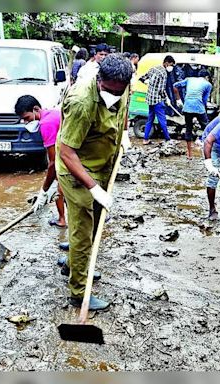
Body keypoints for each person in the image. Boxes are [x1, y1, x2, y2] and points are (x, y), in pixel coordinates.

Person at [56, 54, 132, 310]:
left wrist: (124, 134)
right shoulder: (82, 103)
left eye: (119, 92)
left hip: (102, 165)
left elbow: (123, 110)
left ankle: (73, 264)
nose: (114, 95)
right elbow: (66, 152)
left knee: (97, 223)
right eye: (109, 91)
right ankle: (78, 292)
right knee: (83, 233)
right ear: (99, 81)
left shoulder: (122, 85)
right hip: (76, 169)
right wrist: (93, 187)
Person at [14, 95, 66, 228]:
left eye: (27, 118)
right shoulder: (51, 113)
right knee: (60, 185)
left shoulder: (46, 124)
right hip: (69, 153)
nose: (26, 123)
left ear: (36, 109)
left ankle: (64, 220)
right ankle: (62, 219)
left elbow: (53, 163)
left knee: (63, 188)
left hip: (70, 156)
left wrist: (44, 191)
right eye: (23, 120)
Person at [173, 69, 212, 160]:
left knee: (188, 129)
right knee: (207, 128)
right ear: (206, 77)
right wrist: (203, 111)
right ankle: (209, 150)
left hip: (187, 107)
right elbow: (204, 100)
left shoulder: (189, 79)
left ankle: (189, 155)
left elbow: (175, 85)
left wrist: (178, 99)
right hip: (199, 107)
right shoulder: (208, 84)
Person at [139, 55, 175, 145]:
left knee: (150, 119)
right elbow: (161, 90)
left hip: (150, 99)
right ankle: (168, 139)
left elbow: (142, 78)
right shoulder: (163, 73)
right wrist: (166, 99)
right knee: (162, 121)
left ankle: (145, 139)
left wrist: (146, 82)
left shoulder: (153, 68)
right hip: (157, 100)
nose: (172, 67)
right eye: (171, 65)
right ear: (166, 63)